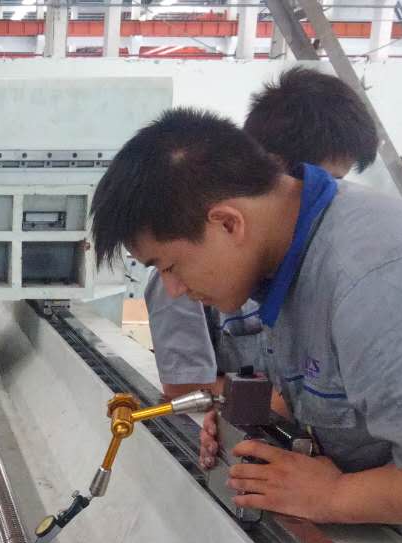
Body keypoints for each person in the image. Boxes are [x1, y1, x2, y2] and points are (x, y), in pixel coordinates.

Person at [91, 107, 402, 543]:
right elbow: (333, 390)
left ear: (228, 224)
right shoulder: (282, 258)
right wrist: (252, 427)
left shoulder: (380, 278)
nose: (173, 290)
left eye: (169, 266)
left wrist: (332, 496)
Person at [147, 67, 379, 399]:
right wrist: (259, 404)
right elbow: (184, 386)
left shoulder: (345, 272)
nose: (331, 202)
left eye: (339, 185)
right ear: (274, 173)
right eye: (323, 183)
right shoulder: (183, 270)